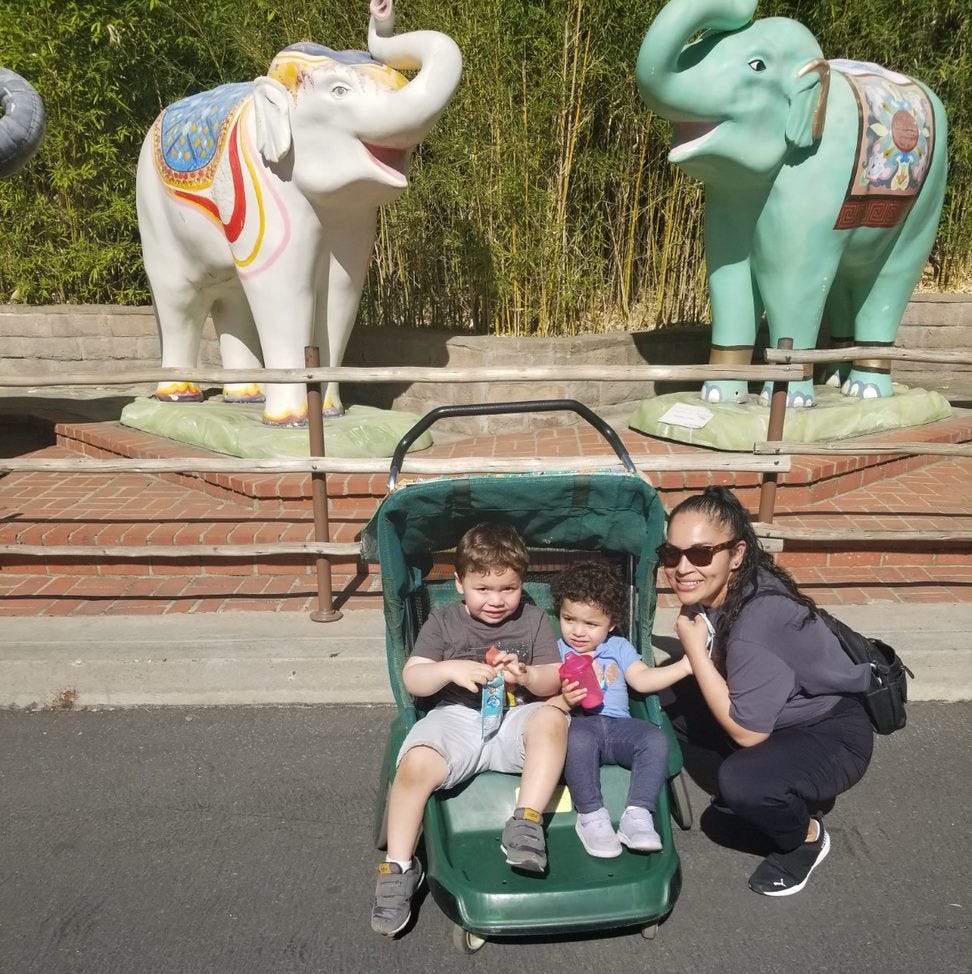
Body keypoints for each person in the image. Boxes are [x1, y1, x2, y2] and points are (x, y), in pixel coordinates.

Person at [660, 486, 874, 896]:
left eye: (701, 554)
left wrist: (692, 648)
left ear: (737, 554)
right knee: (664, 697)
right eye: (672, 554)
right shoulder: (733, 584)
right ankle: (773, 796)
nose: (683, 567)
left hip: (830, 732)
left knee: (744, 783)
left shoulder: (756, 624)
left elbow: (746, 733)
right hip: (781, 712)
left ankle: (805, 836)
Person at [371, 521, 568, 937]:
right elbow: (414, 679)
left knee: (552, 718)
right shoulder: (445, 622)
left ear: (522, 584)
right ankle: (400, 866)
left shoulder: (532, 620)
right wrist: (447, 668)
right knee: (414, 765)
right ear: (459, 583)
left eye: (508, 589)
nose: (496, 600)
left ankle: (526, 821)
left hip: (516, 716)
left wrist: (528, 673)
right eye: (484, 589)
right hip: (458, 718)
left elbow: (552, 679)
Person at [552, 560, 692, 858]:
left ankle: (638, 815)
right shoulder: (557, 650)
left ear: (611, 622)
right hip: (580, 724)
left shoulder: (617, 647)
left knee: (654, 739)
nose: (578, 631)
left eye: (591, 624)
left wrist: (684, 667)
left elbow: (642, 680)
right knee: (576, 739)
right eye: (569, 619)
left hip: (619, 728)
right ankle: (590, 816)